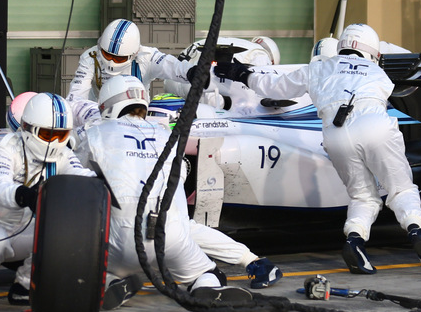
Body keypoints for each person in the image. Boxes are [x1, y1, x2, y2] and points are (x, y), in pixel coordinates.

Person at [214, 23, 421, 274]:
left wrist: (239, 73)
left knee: (362, 196)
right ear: (374, 52)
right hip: (376, 126)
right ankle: (416, 233)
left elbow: (274, 87)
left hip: (336, 134)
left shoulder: (319, 67)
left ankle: (355, 242)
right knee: (400, 188)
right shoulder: (378, 72)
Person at [76, 75, 282, 289]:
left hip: (119, 239)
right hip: (170, 234)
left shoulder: (95, 134)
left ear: (107, 106)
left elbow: (74, 183)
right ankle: (211, 283)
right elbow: (180, 197)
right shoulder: (167, 137)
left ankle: (111, 282)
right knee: (192, 242)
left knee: (84, 255)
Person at [0, 93, 93, 311]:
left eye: (60, 135)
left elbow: (80, 175)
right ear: (27, 127)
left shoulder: (63, 153)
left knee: (61, 234)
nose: (53, 141)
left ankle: (24, 286)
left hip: (21, 227)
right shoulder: (4, 148)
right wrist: (23, 195)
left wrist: (103, 184)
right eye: (46, 133)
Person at [67, 19, 201, 105]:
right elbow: (77, 96)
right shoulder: (90, 56)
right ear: (100, 47)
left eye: (119, 58)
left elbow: (171, 65)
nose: (112, 62)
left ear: (134, 53)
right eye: (107, 55)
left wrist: (192, 72)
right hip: (98, 116)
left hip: (137, 117)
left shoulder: (147, 57)